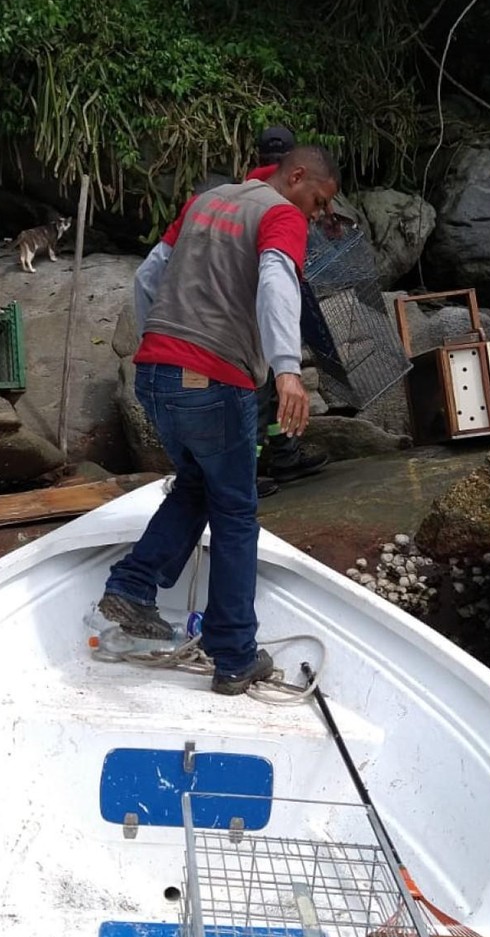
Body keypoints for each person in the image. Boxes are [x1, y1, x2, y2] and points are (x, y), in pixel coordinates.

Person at [99, 146, 340, 695]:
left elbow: (147, 276)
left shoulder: (207, 200)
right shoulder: (280, 214)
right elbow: (278, 281)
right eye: (319, 201)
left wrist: (160, 342)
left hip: (155, 373)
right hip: (212, 377)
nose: (317, 214)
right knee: (235, 510)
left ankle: (133, 586)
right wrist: (287, 370)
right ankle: (232, 653)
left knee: (197, 485)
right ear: (296, 176)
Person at [246, 126, 329, 494]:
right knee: (264, 391)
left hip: (260, 304)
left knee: (271, 391)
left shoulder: (248, 187)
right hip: (262, 308)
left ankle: (283, 456)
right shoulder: (286, 198)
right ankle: (248, 471)